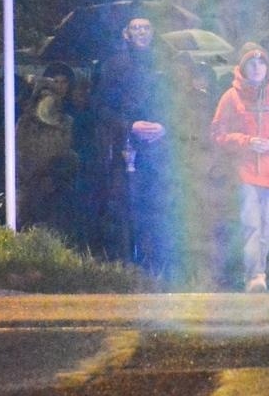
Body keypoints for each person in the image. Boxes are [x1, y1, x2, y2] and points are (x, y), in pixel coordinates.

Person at [211, 43, 269, 292]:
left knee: (265, 225)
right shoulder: (231, 97)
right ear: (242, 67)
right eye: (251, 62)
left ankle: (259, 271)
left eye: (261, 62)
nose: (257, 67)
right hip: (245, 171)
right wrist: (246, 142)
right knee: (250, 223)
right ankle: (255, 275)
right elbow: (219, 132)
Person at [92, 16, 175, 277]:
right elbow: (101, 107)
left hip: (158, 147)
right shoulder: (114, 65)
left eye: (146, 27)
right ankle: (125, 263)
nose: (141, 32)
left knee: (155, 205)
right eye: (136, 28)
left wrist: (164, 126)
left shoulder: (164, 64)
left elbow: (176, 103)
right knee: (124, 204)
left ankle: (156, 265)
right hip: (124, 147)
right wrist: (130, 125)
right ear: (126, 33)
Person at [16, 62, 79, 236]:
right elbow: (21, 153)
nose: (58, 88)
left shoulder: (68, 121)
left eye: (63, 82)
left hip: (59, 190)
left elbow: (72, 155)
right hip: (31, 189)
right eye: (54, 83)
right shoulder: (26, 123)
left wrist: (58, 174)